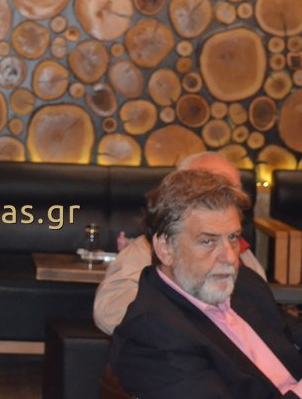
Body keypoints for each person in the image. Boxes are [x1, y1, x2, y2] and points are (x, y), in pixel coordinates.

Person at [110, 169, 302, 398]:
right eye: (208, 241)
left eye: (233, 237)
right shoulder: (152, 337)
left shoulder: (244, 283)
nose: (230, 257)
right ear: (165, 248)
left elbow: (289, 332)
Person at [93, 152, 266, 334]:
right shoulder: (149, 249)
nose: (229, 257)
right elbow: (109, 311)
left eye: (232, 192)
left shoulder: (243, 254)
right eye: (209, 190)